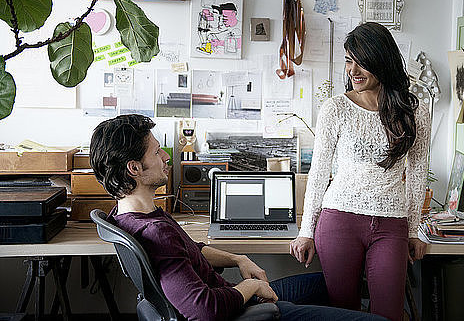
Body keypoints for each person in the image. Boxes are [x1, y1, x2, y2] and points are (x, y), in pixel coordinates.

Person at [89, 114, 388, 321]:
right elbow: (204, 311)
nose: (166, 157)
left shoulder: (128, 215)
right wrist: (252, 287)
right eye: (156, 153)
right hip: (240, 310)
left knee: (337, 281)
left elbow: (190, 250)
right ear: (134, 169)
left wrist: (238, 259)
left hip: (233, 296)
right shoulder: (156, 232)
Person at [290, 22, 431, 321]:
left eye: (361, 62)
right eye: (348, 61)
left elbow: (418, 172)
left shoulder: (414, 111)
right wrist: (306, 232)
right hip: (339, 220)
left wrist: (414, 229)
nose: (352, 70)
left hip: (391, 223)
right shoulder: (335, 108)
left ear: (382, 61)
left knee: (389, 314)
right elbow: (319, 173)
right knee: (344, 314)